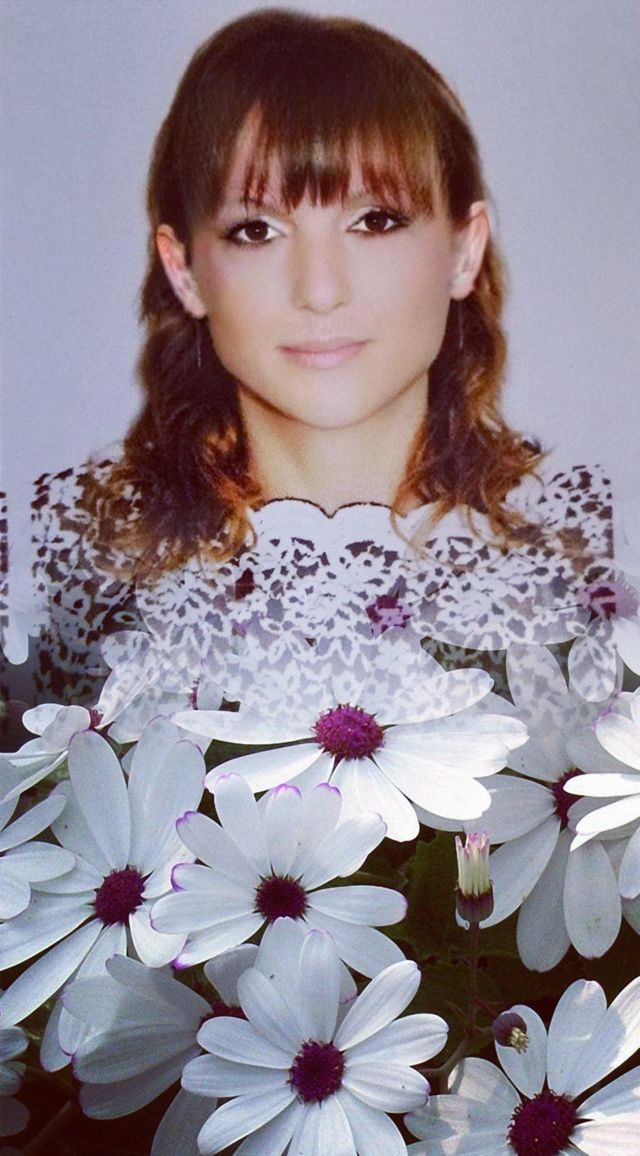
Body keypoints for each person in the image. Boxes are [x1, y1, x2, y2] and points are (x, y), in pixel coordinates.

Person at [7, 7, 613, 709]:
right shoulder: (67, 573)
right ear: (184, 271)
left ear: (463, 251)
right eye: (256, 230)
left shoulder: (589, 567)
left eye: (375, 221)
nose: (320, 291)